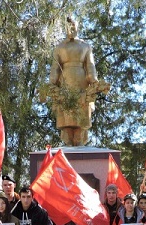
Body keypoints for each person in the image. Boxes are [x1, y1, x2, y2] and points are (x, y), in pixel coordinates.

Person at [48, 17, 109, 146]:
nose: (71, 28)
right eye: (68, 26)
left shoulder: (85, 46)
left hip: (82, 82)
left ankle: (79, 140)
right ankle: (68, 140)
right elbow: (55, 67)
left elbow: (90, 66)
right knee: (66, 114)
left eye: (73, 25)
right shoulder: (59, 47)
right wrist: (51, 83)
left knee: (82, 111)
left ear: (78, 26)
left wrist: (94, 82)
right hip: (65, 83)